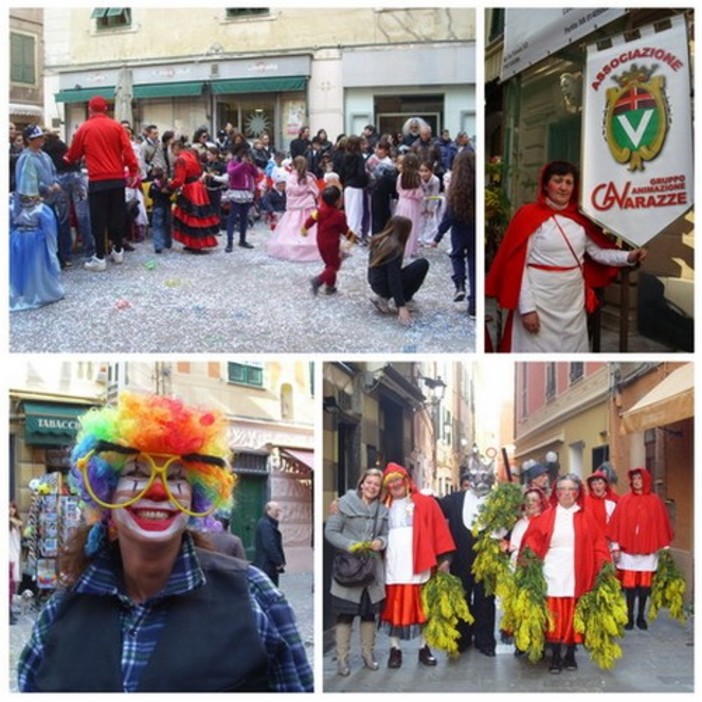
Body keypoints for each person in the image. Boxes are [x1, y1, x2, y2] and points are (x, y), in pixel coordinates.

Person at [16, 391, 312, 692]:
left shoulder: (254, 595)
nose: (158, 490)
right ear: (106, 492)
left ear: (197, 496)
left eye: (176, 477)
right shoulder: (62, 609)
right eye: (136, 472)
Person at [486, 160, 648, 351]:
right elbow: (518, 267)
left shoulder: (579, 219)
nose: (563, 187)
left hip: (572, 303)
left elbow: (597, 252)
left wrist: (628, 257)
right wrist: (527, 309)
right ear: (546, 185)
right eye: (558, 181)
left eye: (569, 182)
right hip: (541, 303)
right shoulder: (528, 216)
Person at [520, 473, 611, 673]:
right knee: (554, 614)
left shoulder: (586, 516)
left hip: (578, 569)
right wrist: (528, 556)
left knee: (573, 614)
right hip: (552, 569)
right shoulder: (547, 516)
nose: (567, 493)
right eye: (563, 489)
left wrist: (604, 564)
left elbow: (598, 543)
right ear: (556, 493)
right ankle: (555, 656)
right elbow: (533, 540)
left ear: (577, 493)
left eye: (571, 489)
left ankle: (570, 654)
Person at [379, 463, 455, 669]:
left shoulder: (425, 502)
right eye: (390, 482)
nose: (394, 485)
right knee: (393, 610)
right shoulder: (382, 505)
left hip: (419, 564)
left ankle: (425, 647)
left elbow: (439, 529)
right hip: (391, 566)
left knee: (424, 608)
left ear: (405, 480)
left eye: (397, 480)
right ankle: (394, 649)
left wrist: (445, 558)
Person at [324, 468, 389, 676]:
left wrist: (381, 541)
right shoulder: (343, 504)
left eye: (376, 485)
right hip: (349, 568)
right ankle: (342, 659)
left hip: (371, 569)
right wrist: (351, 544)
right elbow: (331, 532)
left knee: (369, 615)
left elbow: (386, 533)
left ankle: (367, 655)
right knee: (345, 616)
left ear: (380, 489)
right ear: (361, 484)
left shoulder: (383, 510)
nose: (372, 487)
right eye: (368, 483)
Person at [64, 95, 139, 272]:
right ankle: (118, 251)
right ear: (105, 109)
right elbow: (128, 151)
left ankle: (99, 257)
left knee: (98, 219)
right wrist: (133, 170)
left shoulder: (85, 128)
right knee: (117, 215)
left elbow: (73, 154)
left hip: (98, 180)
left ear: (90, 109)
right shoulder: (117, 126)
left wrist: (66, 158)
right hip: (117, 178)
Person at [436, 462, 498, 657]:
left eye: (484, 476)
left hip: (487, 558)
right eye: (475, 476)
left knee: (486, 599)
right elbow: (433, 507)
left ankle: (485, 640)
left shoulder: (498, 501)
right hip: (461, 557)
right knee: (461, 597)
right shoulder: (455, 499)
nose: (479, 480)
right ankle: (462, 638)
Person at [606, 467, 673, 631]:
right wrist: (615, 547)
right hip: (628, 551)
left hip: (648, 551)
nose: (636, 481)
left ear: (646, 480)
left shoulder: (655, 501)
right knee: (629, 586)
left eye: (639, 478)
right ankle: (629, 617)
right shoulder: (624, 500)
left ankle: (640, 617)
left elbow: (661, 524)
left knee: (644, 586)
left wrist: (664, 548)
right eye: (634, 479)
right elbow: (616, 525)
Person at [11, 124, 65, 311]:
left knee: (49, 244)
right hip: (33, 208)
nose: (42, 140)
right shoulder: (26, 158)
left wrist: (53, 185)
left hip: (47, 204)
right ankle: (35, 288)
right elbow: (27, 187)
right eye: (38, 138)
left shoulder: (44, 156)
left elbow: (52, 174)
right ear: (29, 140)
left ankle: (47, 282)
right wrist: (46, 189)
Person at [432, 149, 476, 315]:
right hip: (474, 228)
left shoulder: (456, 186)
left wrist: (438, 236)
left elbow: (449, 214)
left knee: (457, 256)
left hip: (458, 229)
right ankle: (474, 305)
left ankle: (459, 284)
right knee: (474, 266)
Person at [368, 215, 429, 326]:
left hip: (375, 283)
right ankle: (405, 298)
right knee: (422, 264)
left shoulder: (378, 239)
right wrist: (401, 305)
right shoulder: (395, 247)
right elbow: (393, 277)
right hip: (385, 285)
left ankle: (383, 298)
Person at [167, 137, 220, 253]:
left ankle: (195, 244)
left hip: (190, 189)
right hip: (199, 187)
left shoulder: (181, 160)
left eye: (172, 150)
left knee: (192, 217)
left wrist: (169, 186)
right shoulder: (191, 154)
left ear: (176, 148)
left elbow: (179, 180)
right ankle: (195, 243)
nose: (172, 154)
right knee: (200, 216)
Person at [302, 185, 358, 296]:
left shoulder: (319, 211)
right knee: (334, 265)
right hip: (332, 244)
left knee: (329, 264)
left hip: (320, 242)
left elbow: (310, 220)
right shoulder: (339, 215)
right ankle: (318, 280)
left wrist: (305, 229)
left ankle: (330, 286)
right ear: (337, 201)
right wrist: (353, 237)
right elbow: (345, 230)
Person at [266, 156, 320, 262]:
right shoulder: (308, 178)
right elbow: (315, 192)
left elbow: (292, 190)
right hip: (305, 207)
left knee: (292, 227)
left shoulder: (292, 178)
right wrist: (307, 189)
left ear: (293, 165)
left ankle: (294, 245)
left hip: (296, 208)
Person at [224, 145, 259, 251]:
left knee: (245, 218)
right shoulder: (233, 163)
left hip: (246, 193)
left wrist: (252, 165)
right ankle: (229, 242)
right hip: (236, 193)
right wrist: (242, 164)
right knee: (233, 218)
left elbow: (256, 174)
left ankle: (242, 240)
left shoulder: (248, 165)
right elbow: (231, 172)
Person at [394, 153, 424, 259]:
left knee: (401, 226)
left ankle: (400, 247)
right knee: (412, 226)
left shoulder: (400, 176)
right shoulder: (416, 177)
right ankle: (411, 249)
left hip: (402, 202)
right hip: (412, 204)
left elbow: (398, 189)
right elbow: (419, 194)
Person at [253, 502, 287, 587]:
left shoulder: (267, 523)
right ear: (268, 510)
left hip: (267, 565)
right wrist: (279, 562)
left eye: (279, 510)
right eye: (276, 510)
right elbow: (269, 545)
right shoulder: (266, 525)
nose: (278, 513)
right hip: (267, 566)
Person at [584, 469, 619, 534]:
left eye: (600, 483)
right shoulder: (586, 501)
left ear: (605, 485)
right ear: (591, 487)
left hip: (611, 538)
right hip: (593, 538)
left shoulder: (614, 499)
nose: (597, 486)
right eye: (594, 484)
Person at [148, 167, 173, 253]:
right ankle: (168, 243)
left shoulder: (153, 185)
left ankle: (158, 246)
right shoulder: (167, 185)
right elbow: (171, 193)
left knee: (157, 226)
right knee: (167, 225)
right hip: (167, 206)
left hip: (157, 206)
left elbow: (149, 195)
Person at [10, 502, 23, 626]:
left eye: (13, 507)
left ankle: (10, 611)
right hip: (8, 557)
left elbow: (20, 523)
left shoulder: (15, 522)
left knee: (13, 585)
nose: (11, 510)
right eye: (9, 508)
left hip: (15, 555)